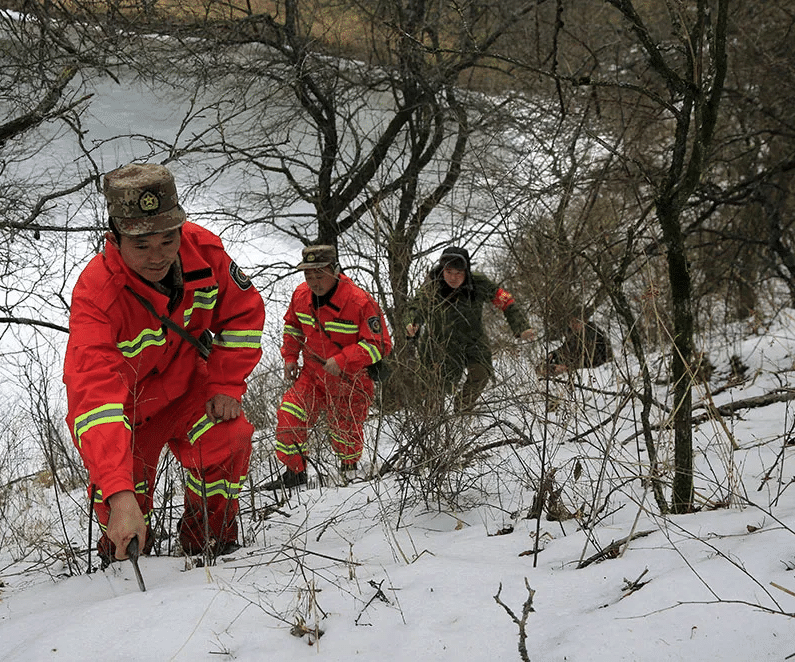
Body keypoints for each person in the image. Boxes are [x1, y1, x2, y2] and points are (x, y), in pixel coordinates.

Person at [63, 163, 265, 565]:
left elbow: (243, 315)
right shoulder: (96, 295)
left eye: (167, 239)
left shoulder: (205, 253)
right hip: (130, 416)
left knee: (230, 439)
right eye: (141, 245)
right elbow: (94, 400)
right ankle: (124, 564)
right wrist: (119, 494)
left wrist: (225, 384)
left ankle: (209, 542)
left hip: (190, 390)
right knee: (124, 509)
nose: (157, 256)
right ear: (115, 239)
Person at [265, 245, 392, 489]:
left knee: (345, 429)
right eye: (308, 275)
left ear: (335, 271)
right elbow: (292, 326)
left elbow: (380, 345)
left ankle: (349, 474)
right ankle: (294, 474)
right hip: (312, 375)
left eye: (319, 274)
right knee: (289, 416)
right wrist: (290, 357)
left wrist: (343, 360)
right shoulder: (301, 296)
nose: (313, 281)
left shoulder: (360, 301)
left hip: (350, 380)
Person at [405, 246, 535, 412]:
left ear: (466, 272)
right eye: (449, 272)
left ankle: (463, 410)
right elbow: (415, 307)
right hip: (440, 342)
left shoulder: (477, 283)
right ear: (443, 270)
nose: (453, 278)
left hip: (473, 339)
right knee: (436, 390)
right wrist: (411, 323)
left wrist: (521, 327)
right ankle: (433, 426)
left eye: (458, 273)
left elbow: (506, 301)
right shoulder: (432, 286)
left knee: (481, 373)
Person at [540, 310, 611, 377]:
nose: (572, 325)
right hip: (572, 366)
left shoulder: (593, 335)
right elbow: (565, 348)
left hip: (591, 373)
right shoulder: (575, 334)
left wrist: (567, 367)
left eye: (576, 322)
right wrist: (553, 354)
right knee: (541, 368)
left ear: (584, 321)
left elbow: (593, 361)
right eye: (571, 322)